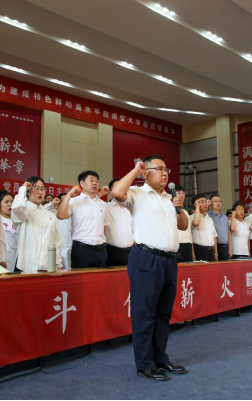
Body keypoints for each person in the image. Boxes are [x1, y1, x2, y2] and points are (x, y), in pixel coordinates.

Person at [112, 156, 188, 381]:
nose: (165, 173)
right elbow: (116, 192)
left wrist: (179, 208)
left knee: (163, 314)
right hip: (146, 258)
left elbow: (183, 225)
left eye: (167, 169)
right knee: (145, 313)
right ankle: (145, 364)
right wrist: (135, 170)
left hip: (169, 260)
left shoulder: (169, 197)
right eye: (159, 169)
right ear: (145, 172)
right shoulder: (137, 193)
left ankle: (160, 359)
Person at [57, 171, 108, 269]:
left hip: (101, 250)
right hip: (82, 250)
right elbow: (61, 215)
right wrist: (69, 195)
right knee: (81, 278)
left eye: (97, 181)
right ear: (82, 183)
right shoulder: (74, 201)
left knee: (101, 278)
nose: (94, 183)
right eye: (91, 180)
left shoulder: (103, 204)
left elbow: (104, 226)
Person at [12, 178, 62, 273]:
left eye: (43, 189)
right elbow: (18, 207)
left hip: (47, 266)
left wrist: (57, 263)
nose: (40, 192)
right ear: (28, 191)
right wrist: (23, 188)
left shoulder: (49, 215)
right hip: (25, 266)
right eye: (36, 188)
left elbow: (56, 241)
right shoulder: (24, 211)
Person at [105, 179, 134, 267]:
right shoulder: (105, 207)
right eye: (118, 187)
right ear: (111, 192)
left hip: (131, 252)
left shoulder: (131, 208)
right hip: (111, 252)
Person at [191, 195, 218, 262]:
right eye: (201, 202)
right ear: (195, 204)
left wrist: (215, 253)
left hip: (211, 250)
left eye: (205, 201)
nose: (205, 204)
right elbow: (196, 223)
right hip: (199, 250)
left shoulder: (209, 218)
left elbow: (214, 237)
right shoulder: (191, 217)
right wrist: (197, 207)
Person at [0, 191, 18, 272]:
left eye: (12, 202)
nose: (10, 204)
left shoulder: (18, 220)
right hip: (2, 258)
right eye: (6, 202)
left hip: (16, 259)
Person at [208, 195, 231, 261]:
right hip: (215, 246)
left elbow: (228, 233)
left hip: (225, 247)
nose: (218, 203)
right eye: (215, 201)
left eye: (220, 201)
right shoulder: (208, 216)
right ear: (210, 203)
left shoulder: (225, 217)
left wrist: (230, 249)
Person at [175, 186, 194, 263]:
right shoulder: (170, 210)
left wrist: (192, 250)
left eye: (183, 193)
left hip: (187, 245)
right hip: (177, 244)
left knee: (188, 268)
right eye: (179, 193)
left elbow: (189, 232)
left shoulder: (185, 212)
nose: (182, 195)